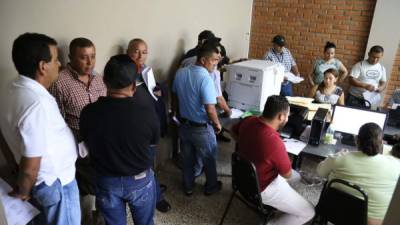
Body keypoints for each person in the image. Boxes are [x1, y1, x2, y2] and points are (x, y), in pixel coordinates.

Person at [0, 33, 80, 225]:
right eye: (55, 60)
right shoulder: (37, 104)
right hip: (55, 183)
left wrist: (13, 164)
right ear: (42, 66)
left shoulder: (10, 88)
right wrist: (24, 191)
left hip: (44, 180)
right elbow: (31, 164)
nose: (60, 64)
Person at [80, 54, 158, 225]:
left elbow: (86, 143)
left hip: (106, 181)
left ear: (105, 82)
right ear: (133, 86)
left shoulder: (88, 112)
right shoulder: (146, 112)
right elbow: (153, 143)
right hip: (140, 179)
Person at [231, 95, 315, 225]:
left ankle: (285, 202)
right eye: (287, 116)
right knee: (309, 212)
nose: (287, 119)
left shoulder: (249, 120)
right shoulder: (274, 142)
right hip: (262, 188)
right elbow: (286, 174)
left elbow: (233, 131)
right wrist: (286, 158)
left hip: (243, 179)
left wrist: (248, 145)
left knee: (296, 177)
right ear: (281, 116)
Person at [49, 37, 106, 224]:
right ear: (71, 57)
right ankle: (86, 219)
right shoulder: (60, 82)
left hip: (102, 144)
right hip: (78, 149)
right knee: (85, 191)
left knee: (103, 186)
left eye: (93, 56)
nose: (90, 62)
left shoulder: (99, 79)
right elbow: (57, 121)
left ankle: (101, 217)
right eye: (84, 57)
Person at [317, 123, 400, 225]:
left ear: (357, 140)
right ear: (381, 143)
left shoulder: (340, 158)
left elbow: (320, 172)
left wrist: (337, 155)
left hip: (336, 213)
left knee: (329, 181)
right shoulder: (396, 165)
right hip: (375, 222)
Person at [126, 38, 171, 213]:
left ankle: (155, 189)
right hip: (136, 129)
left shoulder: (146, 70)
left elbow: (155, 88)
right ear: (128, 52)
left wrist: (160, 90)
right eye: (136, 51)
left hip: (151, 126)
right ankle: (157, 197)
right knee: (146, 166)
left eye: (144, 52)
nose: (140, 56)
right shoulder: (124, 73)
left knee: (149, 165)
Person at [172, 42, 223, 196]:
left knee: (187, 159)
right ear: (202, 60)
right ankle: (211, 186)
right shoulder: (206, 79)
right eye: (213, 60)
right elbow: (210, 108)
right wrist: (217, 124)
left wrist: (175, 113)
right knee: (209, 159)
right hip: (201, 128)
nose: (215, 64)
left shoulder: (180, 73)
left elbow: (175, 95)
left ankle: (188, 186)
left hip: (184, 126)